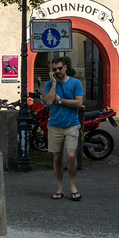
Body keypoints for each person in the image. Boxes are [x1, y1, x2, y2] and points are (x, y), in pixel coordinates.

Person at [43, 56, 84, 200]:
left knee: (71, 155)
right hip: (54, 125)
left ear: (65, 67)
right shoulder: (49, 84)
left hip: (72, 124)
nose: (58, 71)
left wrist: (60, 101)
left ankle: (73, 185)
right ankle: (60, 187)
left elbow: (78, 103)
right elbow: (48, 101)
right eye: (54, 69)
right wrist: (54, 84)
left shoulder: (75, 83)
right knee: (56, 157)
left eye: (60, 68)